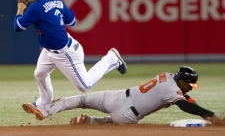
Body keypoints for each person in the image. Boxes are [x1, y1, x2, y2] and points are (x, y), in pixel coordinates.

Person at [14, 0, 127, 106]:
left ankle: (112, 59)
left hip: (65, 52)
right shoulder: (57, 1)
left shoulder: (35, 8)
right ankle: (45, 101)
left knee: (84, 86)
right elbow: (71, 21)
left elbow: (18, 27)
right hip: (49, 49)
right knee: (40, 74)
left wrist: (21, 8)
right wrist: (57, 11)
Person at [22, 66, 224, 125]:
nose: (191, 88)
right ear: (181, 81)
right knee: (115, 121)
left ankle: (45, 109)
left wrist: (197, 105)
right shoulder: (173, 90)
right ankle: (94, 122)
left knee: (80, 99)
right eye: (190, 85)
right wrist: (210, 115)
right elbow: (185, 105)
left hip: (116, 96)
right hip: (127, 114)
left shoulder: (167, 77)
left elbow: (185, 99)